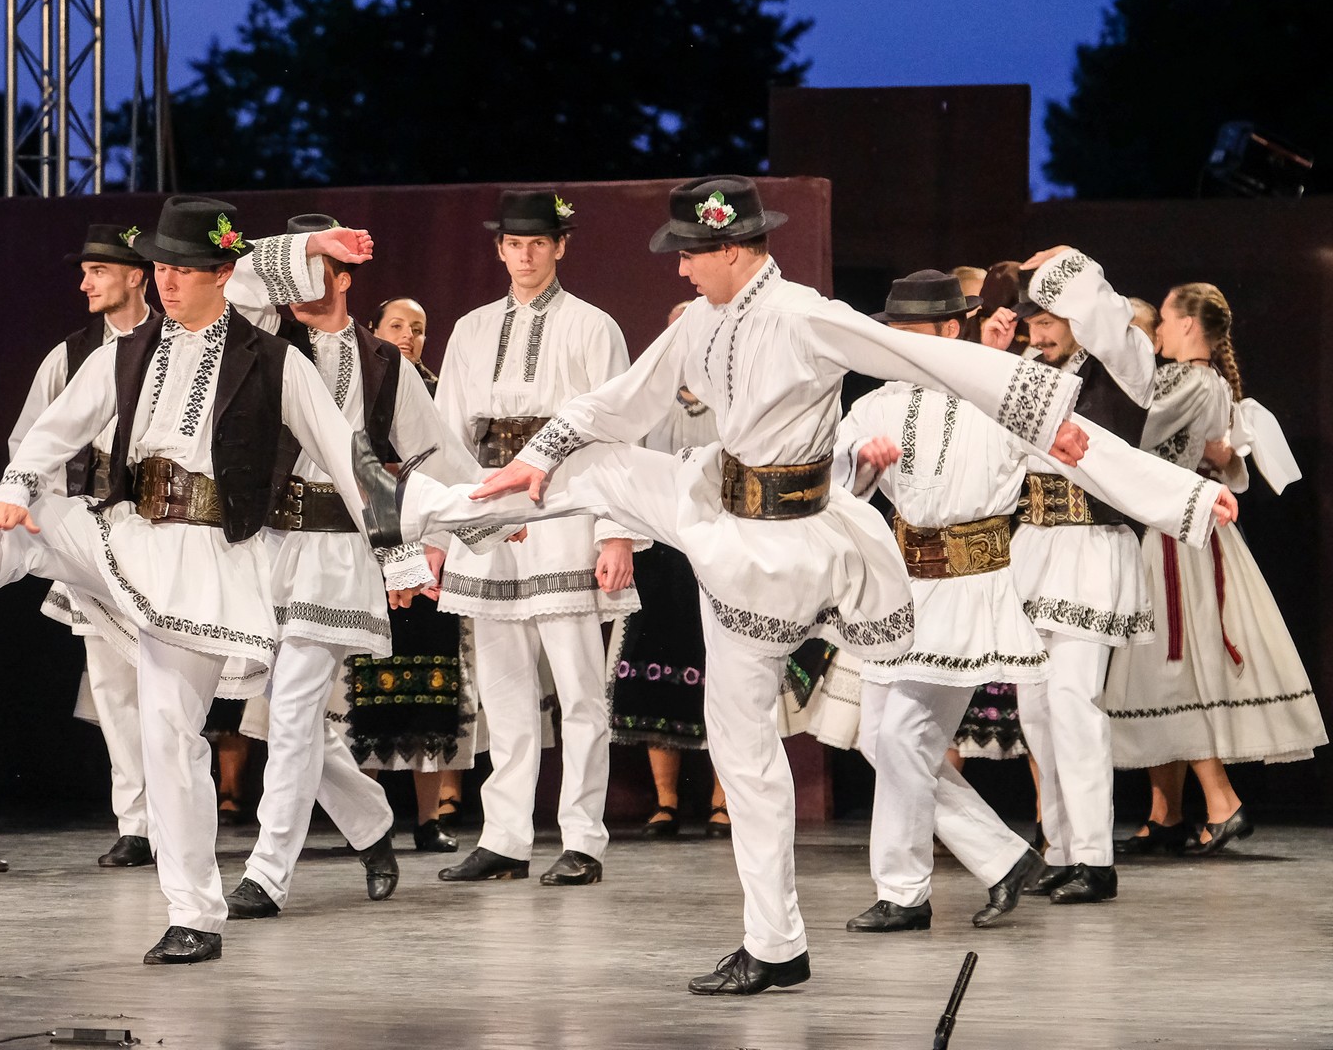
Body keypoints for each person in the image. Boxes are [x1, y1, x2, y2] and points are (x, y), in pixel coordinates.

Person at [364, 176, 1096, 996]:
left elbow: (924, 355)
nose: (680, 270)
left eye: (691, 256)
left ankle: (776, 943)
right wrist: (538, 456)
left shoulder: (803, 314)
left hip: (778, 547)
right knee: (593, 467)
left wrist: (1044, 417)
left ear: (733, 250)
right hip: (716, 505)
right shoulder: (703, 321)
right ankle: (422, 507)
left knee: (746, 746)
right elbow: (621, 403)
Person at [0, 199, 390, 966]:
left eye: (182, 269)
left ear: (221, 274)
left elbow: (352, 464)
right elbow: (51, 432)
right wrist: (16, 489)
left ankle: (197, 913)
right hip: (127, 534)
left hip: (209, 563)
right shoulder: (124, 354)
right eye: (158, 267)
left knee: (175, 735)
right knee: (21, 521)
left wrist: (440, 526)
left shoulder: (272, 359)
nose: (166, 282)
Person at [834, 270, 1235, 934]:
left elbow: (1092, 452)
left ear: (950, 330)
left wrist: (1185, 497)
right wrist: (860, 464)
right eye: (894, 331)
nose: (901, 343)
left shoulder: (1000, 392)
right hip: (903, 589)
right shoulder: (876, 404)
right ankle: (983, 863)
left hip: (969, 587)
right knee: (881, 737)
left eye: (913, 331)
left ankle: (911, 889)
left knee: (906, 733)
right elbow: (832, 475)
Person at [224, 213, 478, 921]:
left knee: (294, 709)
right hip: (264, 544)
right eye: (293, 265)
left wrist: (487, 514)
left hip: (338, 551)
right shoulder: (261, 339)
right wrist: (308, 245)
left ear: (343, 279)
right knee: (291, 717)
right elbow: (237, 277)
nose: (293, 282)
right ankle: (370, 821)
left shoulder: (384, 363)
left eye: (314, 267)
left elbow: (437, 453)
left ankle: (266, 874)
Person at [433, 189, 638, 889]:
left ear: (560, 247)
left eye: (538, 243)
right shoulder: (471, 329)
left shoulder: (592, 326)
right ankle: (505, 837)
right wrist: (441, 534)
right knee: (503, 690)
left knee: (579, 689)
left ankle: (582, 838)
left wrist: (616, 533)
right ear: (499, 249)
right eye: (514, 244)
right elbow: (447, 436)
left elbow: (615, 434)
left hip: (565, 507)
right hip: (490, 510)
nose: (525, 255)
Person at [1105, 283, 1326, 852]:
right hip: (1184, 530)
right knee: (1164, 668)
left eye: (1163, 319)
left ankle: (1221, 802)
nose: (1157, 330)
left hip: (1180, 535)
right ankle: (1167, 814)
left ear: (1186, 325)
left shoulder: (1188, 380)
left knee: (1171, 666)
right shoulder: (1208, 382)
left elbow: (1139, 431)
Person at [984, 247, 1159, 904]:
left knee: (1073, 697)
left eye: (1049, 321)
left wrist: (1071, 264)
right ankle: (1059, 849)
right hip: (1035, 546)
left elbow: (1109, 320)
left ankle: (1094, 857)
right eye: (1032, 323)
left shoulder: (1123, 367)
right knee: (1035, 705)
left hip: (1092, 548)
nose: (1039, 334)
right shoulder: (1031, 372)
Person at [8, 222, 158, 867]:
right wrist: (47, 509)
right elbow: (29, 441)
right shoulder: (70, 356)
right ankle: (137, 822)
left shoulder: (175, 344)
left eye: (99, 271)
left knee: (170, 681)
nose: (86, 283)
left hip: (163, 530)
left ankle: (181, 814)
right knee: (112, 682)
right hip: (94, 529)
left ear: (136, 276)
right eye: (86, 271)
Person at [352, 295, 470, 847]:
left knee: (429, 684)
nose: (407, 336)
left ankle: (429, 819)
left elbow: (450, 469)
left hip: (429, 548)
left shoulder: (439, 393)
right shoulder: (357, 385)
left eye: (418, 328)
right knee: (369, 683)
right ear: (372, 329)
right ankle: (369, 825)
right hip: (369, 542)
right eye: (396, 325)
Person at [609, 302, 727, 840]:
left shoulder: (734, 400)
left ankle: (724, 799)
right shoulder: (646, 406)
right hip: (660, 554)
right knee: (658, 669)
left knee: (727, 674)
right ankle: (667, 800)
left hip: (721, 548)